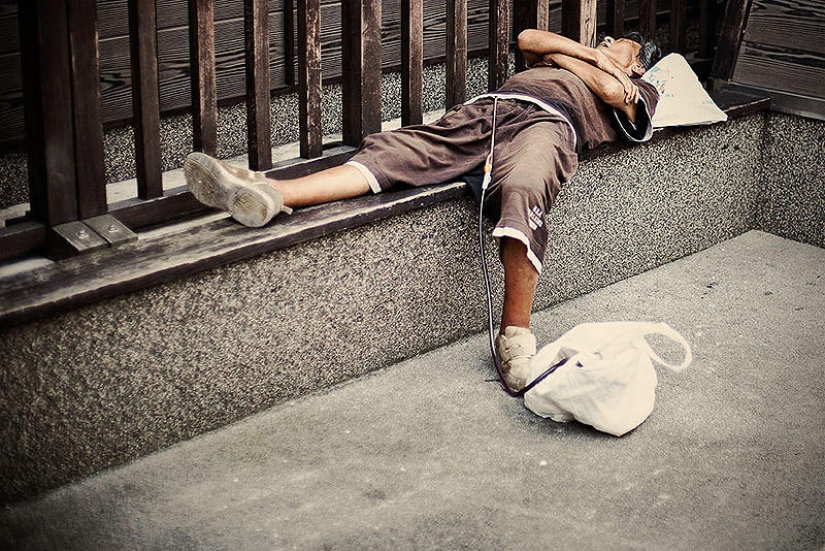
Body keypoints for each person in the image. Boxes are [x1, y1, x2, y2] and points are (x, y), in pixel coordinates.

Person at [183, 29, 662, 393]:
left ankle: (515, 336)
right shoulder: (585, 55)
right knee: (397, 150)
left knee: (524, 187)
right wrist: (588, 55)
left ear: (638, 64)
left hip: (550, 124)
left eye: (617, 43)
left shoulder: (643, 91)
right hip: (490, 111)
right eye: (602, 41)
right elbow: (527, 38)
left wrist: (578, 61)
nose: (603, 42)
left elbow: (610, 91)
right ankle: (272, 193)